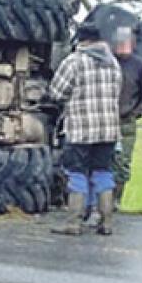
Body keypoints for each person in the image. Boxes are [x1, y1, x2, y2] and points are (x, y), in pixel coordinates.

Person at [49, 22, 122, 236]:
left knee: (77, 173)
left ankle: (74, 223)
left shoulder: (74, 62)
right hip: (109, 130)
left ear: (80, 40)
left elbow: (57, 92)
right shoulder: (113, 63)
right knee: (103, 172)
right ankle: (106, 222)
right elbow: (118, 90)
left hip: (81, 130)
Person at [111, 26, 142, 208]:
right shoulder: (108, 62)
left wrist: (137, 112)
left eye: (126, 44)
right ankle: (100, 203)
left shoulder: (139, 65)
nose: (122, 47)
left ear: (132, 44)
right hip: (105, 120)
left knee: (122, 163)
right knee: (102, 163)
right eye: (119, 44)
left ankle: (116, 201)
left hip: (126, 122)